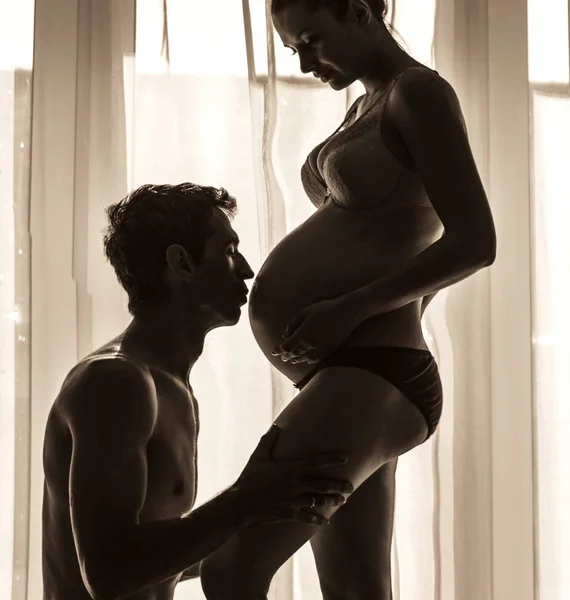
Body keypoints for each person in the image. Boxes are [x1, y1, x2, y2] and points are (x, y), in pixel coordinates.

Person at [199, 0, 497, 598]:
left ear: (359, 12)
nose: (306, 61)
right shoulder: (367, 103)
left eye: (313, 39)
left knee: (231, 569)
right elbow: (402, 247)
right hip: (351, 375)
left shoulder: (419, 94)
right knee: (356, 591)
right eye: (293, 50)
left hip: (374, 372)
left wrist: (353, 308)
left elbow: (474, 242)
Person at [41, 183, 355, 600]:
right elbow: (108, 573)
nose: (246, 268)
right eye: (228, 250)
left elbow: (153, 564)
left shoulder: (171, 387)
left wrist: (270, 522)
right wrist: (243, 503)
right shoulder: (116, 382)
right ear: (182, 263)